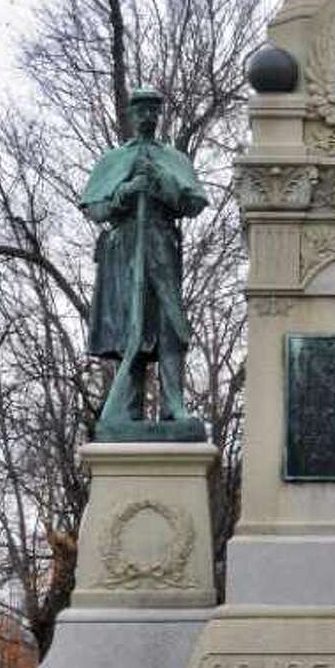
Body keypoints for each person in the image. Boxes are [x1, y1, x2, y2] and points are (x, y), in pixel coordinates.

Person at [79, 85, 208, 436]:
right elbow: (94, 207)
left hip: (161, 243)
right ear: (132, 116)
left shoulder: (174, 159)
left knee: (170, 323)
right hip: (123, 248)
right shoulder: (113, 160)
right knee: (128, 326)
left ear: (159, 115)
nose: (147, 117)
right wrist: (123, 193)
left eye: (153, 111)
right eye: (141, 111)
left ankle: (173, 406)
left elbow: (194, 203)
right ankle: (128, 410)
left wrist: (161, 181)